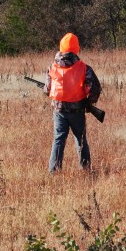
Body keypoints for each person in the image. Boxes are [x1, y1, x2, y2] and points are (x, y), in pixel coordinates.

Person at [44, 32, 102, 173]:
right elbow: (95, 88)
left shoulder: (52, 67)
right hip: (77, 110)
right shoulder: (84, 68)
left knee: (59, 139)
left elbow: (47, 90)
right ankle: (85, 169)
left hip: (59, 111)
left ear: (61, 47)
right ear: (77, 48)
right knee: (80, 139)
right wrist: (89, 102)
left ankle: (54, 171)